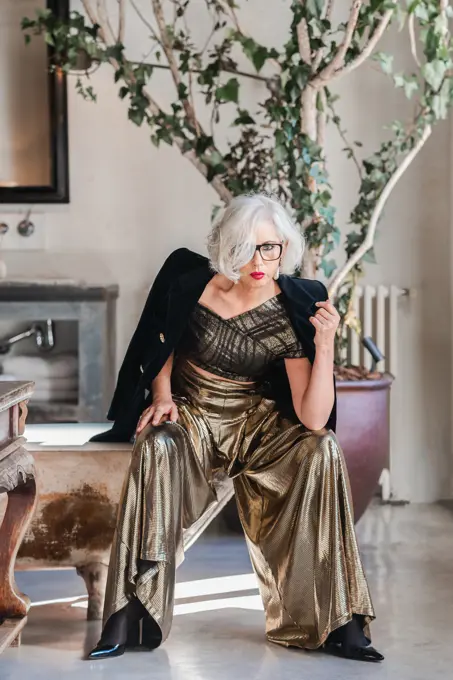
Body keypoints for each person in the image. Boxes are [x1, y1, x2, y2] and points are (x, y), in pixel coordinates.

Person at [88, 194, 383, 663]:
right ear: (229, 247)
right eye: (249, 248)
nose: (262, 260)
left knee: (321, 448)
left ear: (285, 248)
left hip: (256, 422)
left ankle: (337, 620)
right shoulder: (190, 283)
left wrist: (324, 344)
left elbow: (311, 417)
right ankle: (129, 612)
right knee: (155, 446)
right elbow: (157, 344)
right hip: (193, 412)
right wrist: (161, 396)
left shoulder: (293, 307)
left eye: (272, 248)